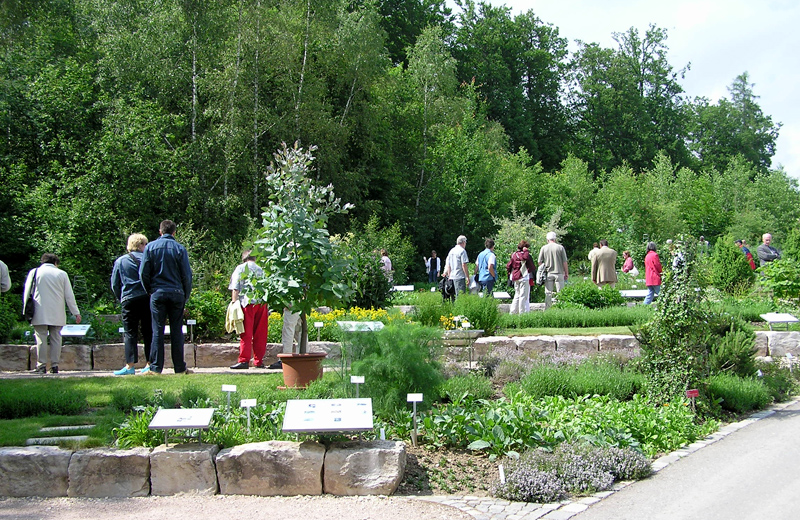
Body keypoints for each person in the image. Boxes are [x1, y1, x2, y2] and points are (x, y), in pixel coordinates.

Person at [139, 220, 192, 375]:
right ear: (174, 232)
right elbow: (187, 275)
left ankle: (156, 368)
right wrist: (185, 295)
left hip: (158, 292)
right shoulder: (180, 249)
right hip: (176, 293)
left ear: (160, 231)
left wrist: (149, 290)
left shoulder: (150, 247)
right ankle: (180, 368)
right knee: (177, 331)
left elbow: (143, 273)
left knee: (157, 330)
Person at [23, 253, 82, 374]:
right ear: (56, 263)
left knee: (41, 338)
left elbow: (27, 292)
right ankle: (55, 365)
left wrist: (25, 310)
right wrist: (76, 312)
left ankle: (41, 365)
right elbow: (69, 296)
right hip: (57, 311)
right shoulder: (62, 274)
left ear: (42, 261)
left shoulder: (34, 272)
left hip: (39, 310)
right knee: (56, 337)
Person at [110, 234, 153, 375]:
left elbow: (115, 284)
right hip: (147, 298)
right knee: (149, 332)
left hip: (129, 299)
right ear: (141, 245)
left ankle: (130, 366)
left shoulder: (120, 261)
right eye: (145, 244)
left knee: (130, 333)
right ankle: (149, 364)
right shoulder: (149, 259)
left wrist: (121, 297)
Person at [228, 250, 268, 370]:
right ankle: (258, 361)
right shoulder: (261, 269)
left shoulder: (240, 268)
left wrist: (234, 304)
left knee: (245, 332)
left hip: (247, 302)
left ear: (244, 258)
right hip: (261, 304)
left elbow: (235, 287)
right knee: (260, 334)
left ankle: (244, 360)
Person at [538, 232, 569, 309]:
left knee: (548, 292)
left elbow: (539, 261)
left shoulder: (544, 248)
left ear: (547, 239)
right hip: (559, 273)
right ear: (555, 239)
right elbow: (564, 262)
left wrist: (543, 269)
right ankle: (560, 307)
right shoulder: (560, 247)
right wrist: (566, 273)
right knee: (560, 292)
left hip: (548, 273)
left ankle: (548, 308)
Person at [507, 241, 535, 314]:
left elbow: (508, 265)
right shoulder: (524, 254)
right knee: (523, 296)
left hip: (515, 277)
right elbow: (525, 258)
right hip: (523, 277)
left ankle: (512, 312)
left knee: (517, 295)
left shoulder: (514, 254)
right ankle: (521, 313)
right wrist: (526, 251)